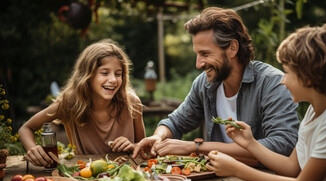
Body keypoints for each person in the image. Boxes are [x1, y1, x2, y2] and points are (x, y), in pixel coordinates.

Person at [208, 24, 326, 181]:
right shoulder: (314, 112)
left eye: (287, 72)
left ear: (309, 77)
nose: (282, 81)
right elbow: (291, 167)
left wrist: (237, 170)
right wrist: (250, 143)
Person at [133, 7, 299, 166]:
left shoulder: (272, 84)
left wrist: (196, 147)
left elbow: (282, 146)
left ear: (232, 48)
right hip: (219, 179)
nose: (198, 64)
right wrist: (158, 136)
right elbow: (176, 122)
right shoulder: (204, 84)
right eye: (197, 54)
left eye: (205, 54)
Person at [19, 39, 145, 167]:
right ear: (87, 76)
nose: (113, 79)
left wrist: (132, 146)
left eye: (118, 74)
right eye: (104, 73)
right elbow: (26, 128)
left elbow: (143, 149)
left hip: (126, 175)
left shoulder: (132, 103)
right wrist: (32, 149)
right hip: (85, 177)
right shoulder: (70, 103)